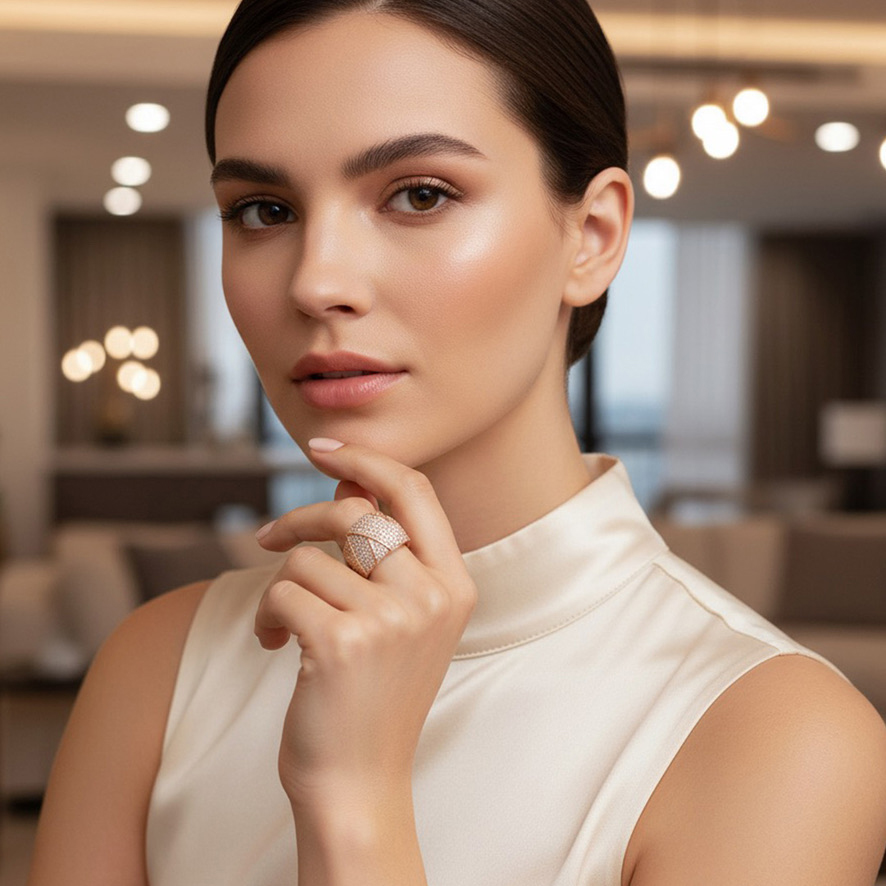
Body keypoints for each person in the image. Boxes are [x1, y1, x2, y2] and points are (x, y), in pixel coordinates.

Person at [28, 1, 886, 884]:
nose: (317, 280)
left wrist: (354, 801)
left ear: (592, 237)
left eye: (419, 195)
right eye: (262, 209)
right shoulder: (159, 666)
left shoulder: (775, 734)